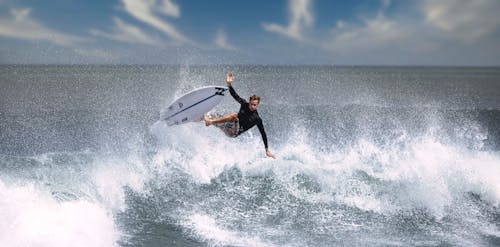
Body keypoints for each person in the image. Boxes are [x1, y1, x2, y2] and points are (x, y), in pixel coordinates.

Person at [204, 72, 276, 159]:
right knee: (210, 115)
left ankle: (210, 122)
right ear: (249, 102)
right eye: (251, 104)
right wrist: (229, 84)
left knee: (234, 116)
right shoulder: (244, 104)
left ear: (258, 105)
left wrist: (267, 149)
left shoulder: (257, 119)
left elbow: (263, 133)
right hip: (227, 126)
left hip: (234, 132)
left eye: (255, 105)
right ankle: (197, 118)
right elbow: (235, 95)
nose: (253, 106)